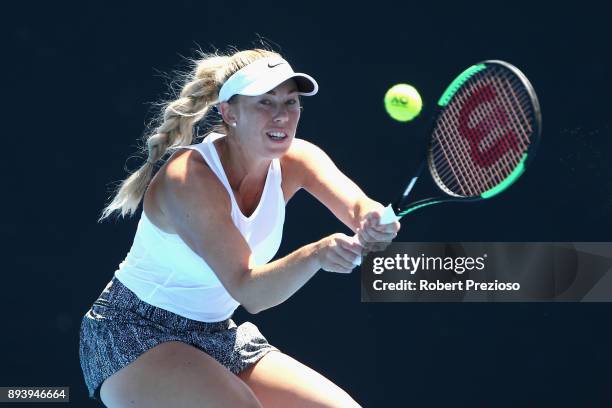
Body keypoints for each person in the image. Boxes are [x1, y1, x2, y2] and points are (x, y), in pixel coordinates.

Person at [79, 48, 400, 408]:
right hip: (133, 333)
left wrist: (373, 219)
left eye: (291, 102)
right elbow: (251, 291)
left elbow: (359, 207)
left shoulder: (300, 159)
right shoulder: (189, 180)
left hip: (218, 334)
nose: (281, 116)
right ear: (229, 112)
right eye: (265, 102)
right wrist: (317, 254)